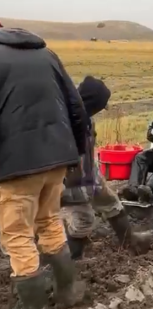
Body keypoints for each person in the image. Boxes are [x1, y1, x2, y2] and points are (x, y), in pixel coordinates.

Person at [0, 28, 88, 308]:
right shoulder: (46, 54)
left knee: (17, 235)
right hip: (57, 159)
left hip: (16, 166)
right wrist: (75, 154)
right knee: (49, 222)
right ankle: (68, 291)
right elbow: (77, 107)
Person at [61, 76, 153, 260]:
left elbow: (87, 152)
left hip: (87, 174)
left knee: (110, 201)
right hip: (69, 179)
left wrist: (94, 176)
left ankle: (130, 240)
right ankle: (70, 261)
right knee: (83, 219)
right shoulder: (67, 121)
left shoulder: (86, 119)